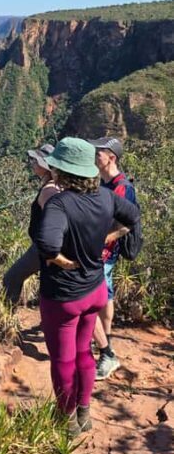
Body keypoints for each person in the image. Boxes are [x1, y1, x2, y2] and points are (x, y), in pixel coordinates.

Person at [34, 137, 140, 436]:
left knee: (63, 358)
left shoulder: (60, 202)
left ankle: (66, 419)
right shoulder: (106, 197)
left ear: (60, 170)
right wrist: (111, 236)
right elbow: (132, 216)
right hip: (94, 290)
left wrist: (63, 262)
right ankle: (84, 411)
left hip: (64, 296)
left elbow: (46, 243)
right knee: (83, 353)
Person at [88, 137, 137, 380]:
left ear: (111, 158)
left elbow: (128, 223)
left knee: (94, 299)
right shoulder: (104, 183)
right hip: (98, 252)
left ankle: (107, 353)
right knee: (105, 296)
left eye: (99, 152)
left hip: (104, 254)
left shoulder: (122, 187)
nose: (94, 155)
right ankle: (103, 339)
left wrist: (103, 240)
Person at [3, 143, 60, 307]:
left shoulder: (49, 191)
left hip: (43, 248)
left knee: (12, 277)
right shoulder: (51, 186)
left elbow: (55, 221)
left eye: (36, 161)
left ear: (45, 165)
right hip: (44, 246)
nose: (32, 164)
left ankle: (7, 319)